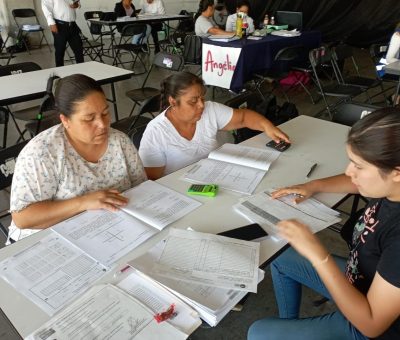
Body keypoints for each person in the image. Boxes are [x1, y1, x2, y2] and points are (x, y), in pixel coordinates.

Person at [248, 107, 400, 340]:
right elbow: (354, 182)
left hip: (371, 325)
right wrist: (313, 186)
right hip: (359, 278)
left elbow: (372, 324)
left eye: (358, 166)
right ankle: (290, 329)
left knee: (258, 333)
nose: (350, 171)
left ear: (396, 172)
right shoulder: (390, 186)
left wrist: (319, 255)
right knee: (281, 258)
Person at [8, 74, 146, 243]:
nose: (102, 125)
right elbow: (23, 218)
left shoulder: (120, 141)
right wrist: (84, 202)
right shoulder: (43, 153)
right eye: (89, 118)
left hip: (107, 230)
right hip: (47, 239)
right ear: (65, 120)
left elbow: (142, 187)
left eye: (105, 113)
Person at [138, 71, 290, 180]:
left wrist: (268, 127)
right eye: (193, 101)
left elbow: (243, 117)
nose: (201, 105)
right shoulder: (156, 132)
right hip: (181, 189)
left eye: (202, 98)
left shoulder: (210, 110)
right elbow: (152, 180)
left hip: (216, 179)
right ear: (172, 102)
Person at [42, 0, 84, 67]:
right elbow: (46, 7)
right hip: (60, 25)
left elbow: (77, 2)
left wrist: (77, 4)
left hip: (73, 25)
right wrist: (51, 23)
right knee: (60, 51)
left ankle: (82, 71)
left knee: (79, 49)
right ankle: (59, 73)